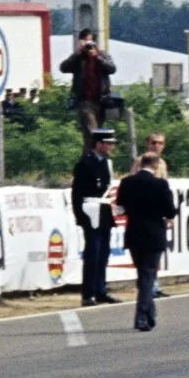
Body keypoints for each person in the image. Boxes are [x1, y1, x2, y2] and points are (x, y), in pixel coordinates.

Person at [117, 155, 177, 331]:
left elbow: (121, 207)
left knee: (143, 275)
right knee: (148, 275)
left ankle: (149, 313)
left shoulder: (126, 182)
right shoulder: (161, 184)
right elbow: (170, 210)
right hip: (154, 234)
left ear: (141, 164)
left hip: (134, 233)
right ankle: (141, 316)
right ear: (156, 166)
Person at [73, 128, 119, 305]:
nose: (110, 147)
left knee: (103, 253)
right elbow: (77, 193)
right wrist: (80, 216)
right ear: (98, 144)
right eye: (107, 143)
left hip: (103, 211)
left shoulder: (105, 163)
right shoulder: (86, 163)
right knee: (93, 253)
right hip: (90, 211)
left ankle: (101, 290)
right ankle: (89, 293)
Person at [59, 29, 118, 145]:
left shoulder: (102, 55)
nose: (87, 44)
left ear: (94, 42)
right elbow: (63, 68)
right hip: (85, 101)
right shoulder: (79, 58)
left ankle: (91, 154)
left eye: (89, 41)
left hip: (102, 100)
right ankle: (96, 152)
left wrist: (96, 57)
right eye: (84, 40)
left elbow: (112, 69)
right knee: (92, 132)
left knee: (94, 134)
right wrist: (77, 54)